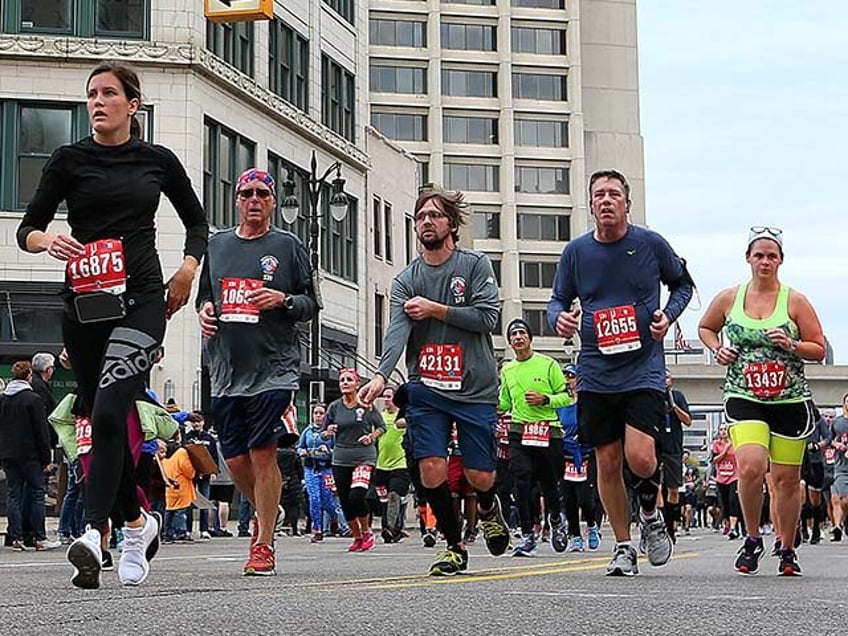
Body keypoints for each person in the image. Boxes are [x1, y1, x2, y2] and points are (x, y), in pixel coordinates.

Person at [16, 61, 208, 588]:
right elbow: (28, 229)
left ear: (132, 104)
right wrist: (46, 241)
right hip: (84, 305)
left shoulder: (157, 161)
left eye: (108, 93)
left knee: (107, 412)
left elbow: (197, 222)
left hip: (143, 300)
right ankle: (136, 523)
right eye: (91, 95)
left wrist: (188, 270)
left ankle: (92, 534)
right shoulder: (68, 160)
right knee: (100, 417)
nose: (97, 102)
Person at [547, 169, 694, 576]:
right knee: (607, 463)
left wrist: (668, 316)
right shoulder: (576, 252)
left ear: (627, 203)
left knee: (641, 456)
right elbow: (557, 300)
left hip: (643, 366)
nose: (606, 201)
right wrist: (560, 319)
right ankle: (624, 546)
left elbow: (682, 285)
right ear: (591, 204)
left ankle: (649, 508)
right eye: (599, 195)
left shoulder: (649, 244)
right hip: (596, 369)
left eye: (614, 194)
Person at [359, 184, 510, 576]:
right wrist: (379, 377)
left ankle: (490, 506)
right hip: (426, 387)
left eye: (435, 215)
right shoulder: (406, 280)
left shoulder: (474, 265)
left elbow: (487, 317)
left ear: (452, 224)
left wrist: (437, 309)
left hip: (474, 386)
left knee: (479, 475)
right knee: (430, 470)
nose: (427, 221)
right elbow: (396, 332)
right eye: (421, 216)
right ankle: (453, 546)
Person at [197, 167, 317, 576]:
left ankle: (262, 541)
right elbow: (205, 300)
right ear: (236, 199)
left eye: (262, 194)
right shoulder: (217, 246)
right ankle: (271, 510)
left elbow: (310, 305)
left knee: (263, 453)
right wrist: (205, 314)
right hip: (228, 368)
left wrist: (282, 299)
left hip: (274, 367)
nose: (254, 200)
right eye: (246, 192)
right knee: (234, 460)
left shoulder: (288, 246)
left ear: (270, 202)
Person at [698, 225, 825, 576]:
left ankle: (786, 547)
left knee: (786, 480)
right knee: (751, 466)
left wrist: (791, 345)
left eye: (772, 255)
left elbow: (818, 347)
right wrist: (717, 348)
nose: (765, 261)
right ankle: (752, 537)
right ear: (748, 259)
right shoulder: (729, 298)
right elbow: (706, 327)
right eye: (759, 255)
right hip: (744, 395)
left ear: (781, 260)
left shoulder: (795, 301)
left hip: (789, 399)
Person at [498, 318, 571, 556]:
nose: (518, 337)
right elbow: (505, 403)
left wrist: (545, 399)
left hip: (548, 430)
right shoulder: (507, 369)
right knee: (521, 482)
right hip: (519, 430)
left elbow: (566, 397)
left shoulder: (548, 364)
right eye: (513, 335)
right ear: (509, 342)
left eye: (521, 333)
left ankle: (556, 520)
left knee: (548, 484)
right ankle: (527, 535)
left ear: (530, 338)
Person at [324, 369, 386, 552]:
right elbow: (324, 432)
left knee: (357, 494)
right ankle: (357, 536)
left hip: (363, 457)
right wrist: (328, 432)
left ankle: (367, 531)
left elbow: (382, 427)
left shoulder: (366, 405)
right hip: (341, 458)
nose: (344, 383)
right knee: (344, 500)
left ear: (357, 384)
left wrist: (371, 436)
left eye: (349, 380)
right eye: (342, 380)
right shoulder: (334, 407)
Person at [0, 361, 57, 551]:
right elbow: (41, 432)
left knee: (13, 494)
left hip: (8, 453)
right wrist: (46, 458)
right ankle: (39, 537)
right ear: (28, 376)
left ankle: (15, 537)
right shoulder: (33, 399)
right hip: (30, 454)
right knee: (37, 493)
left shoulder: (3, 399)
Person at [559, 364, 601, 552]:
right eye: (566, 377)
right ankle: (575, 536)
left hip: (585, 453)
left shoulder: (588, 401)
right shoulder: (559, 401)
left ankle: (592, 525)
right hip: (565, 452)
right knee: (568, 498)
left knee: (585, 498)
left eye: (572, 376)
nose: (569, 380)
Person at [373, 386, 411, 544]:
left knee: (394, 495)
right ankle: (393, 530)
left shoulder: (402, 417)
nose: (386, 400)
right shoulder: (379, 418)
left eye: (389, 396)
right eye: (385, 397)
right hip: (381, 464)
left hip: (400, 463)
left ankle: (389, 528)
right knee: (383, 500)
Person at [657, 368, 692, 542]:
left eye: (667, 377)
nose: (664, 380)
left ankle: (671, 526)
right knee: (655, 486)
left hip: (674, 448)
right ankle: (658, 525)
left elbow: (688, 420)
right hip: (656, 445)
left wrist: (673, 406)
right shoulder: (653, 396)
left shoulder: (677, 396)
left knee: (673, 488)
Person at [297, 403, 337, 543]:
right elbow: (300, 446)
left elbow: (338, 451)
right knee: (314, 499)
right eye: (316, 413)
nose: (318, 416)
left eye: (321, 413)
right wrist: (302, 451)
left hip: (326, 469)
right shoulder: (307, 431)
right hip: (310, 468)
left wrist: (328, 452)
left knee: (327, 501)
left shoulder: (330, 432)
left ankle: (334, 517)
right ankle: (318, 529)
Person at [710, 423, 740, 539]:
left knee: (733, 501)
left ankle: (733, 528)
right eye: (721, 429)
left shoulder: (735, 443)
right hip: (721, 477)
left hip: (734, 476)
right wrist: (725, 450)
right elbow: (714, 460)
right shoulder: (716, 445)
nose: (723, 432)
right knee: (724, 504)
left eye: (725, 429)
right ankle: (728, 524)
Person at [829, 394, 848, 543]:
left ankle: (842, 522)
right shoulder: (837, 423)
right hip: (841, 466)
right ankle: (839, 524)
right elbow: (829, 440)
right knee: (842, 499)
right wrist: (837, 445)